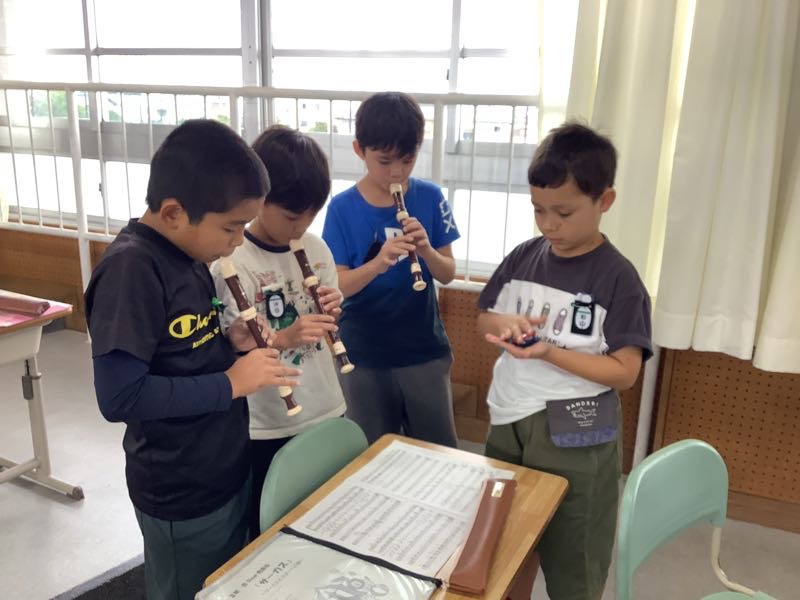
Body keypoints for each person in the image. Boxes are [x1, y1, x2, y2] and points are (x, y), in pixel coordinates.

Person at [84, 119, 300, 600]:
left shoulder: (190, 256)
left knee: (223, 583)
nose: (239, 240)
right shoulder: (131, 270)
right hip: (178, 487)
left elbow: (181, 351)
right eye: (231, 227)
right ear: (174, 213)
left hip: (220, 467)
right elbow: (120, 396)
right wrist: (232, 383)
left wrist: (230, 343)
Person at [476, 122, 652, 600]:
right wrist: (503, 323)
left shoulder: (618, 278)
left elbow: (625, 372)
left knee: (574, 547)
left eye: (564, 212)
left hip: (575, 428)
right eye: (538, 209)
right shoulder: (524, 256)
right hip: (509, 417)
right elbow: (483, 318)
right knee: (503, 537)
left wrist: (551, 352)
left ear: (604, 201)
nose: (549, 224)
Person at [211, 124, 347, 539]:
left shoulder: (316, 249)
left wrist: (332, 311)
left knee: (328, 519)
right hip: (268, 423)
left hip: (326, 405)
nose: (300, 227)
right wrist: (286, 336)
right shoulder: (232, 260)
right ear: (260, 199)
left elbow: (327, 321)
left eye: (311, 215)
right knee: (271, 528)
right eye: (291, 216)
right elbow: (235, 344)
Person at [321, 91, 460, 446]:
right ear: (359, 150)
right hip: (362, 352)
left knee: (437, 450)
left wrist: (426, 249)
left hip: (423, 348)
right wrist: (378, 264)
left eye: (407, 159)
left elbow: (447, 273)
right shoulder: (341, 208)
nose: (397, 172)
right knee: (370, 452)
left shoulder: (431, 197)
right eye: (384, 161)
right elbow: (338, 285)